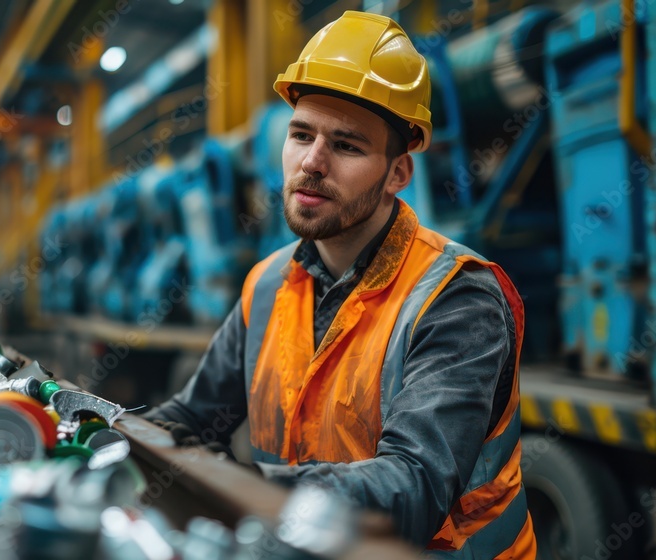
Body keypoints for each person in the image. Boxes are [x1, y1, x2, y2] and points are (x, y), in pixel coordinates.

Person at [143, 10, 535, 558]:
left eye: (347, 146)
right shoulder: (266, 285)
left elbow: (413, 488)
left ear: (398, 174)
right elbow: (191, 418)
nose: (311, 163)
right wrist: (111, 435)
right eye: (301, 135)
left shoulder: (456, 297)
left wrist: (250, 489)